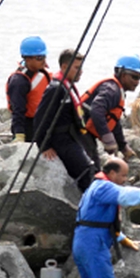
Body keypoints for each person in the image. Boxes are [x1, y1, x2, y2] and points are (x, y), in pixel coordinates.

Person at [34, 49, 95, 192]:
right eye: (76, 68)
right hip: (60, 139)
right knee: (85, 170)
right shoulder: (56, 89)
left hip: (72, 136)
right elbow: (40, 117)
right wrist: (44, 145)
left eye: (81, 67)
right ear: (64, 67)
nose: (80, 71)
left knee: (93, 166)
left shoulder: (68, 86)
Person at [81, 55, 140, 163]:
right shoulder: (111, 90)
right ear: (123, 75)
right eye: (134, 77)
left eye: (139, 78)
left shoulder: (116, 90)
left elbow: (114, 120)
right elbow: (97, 110)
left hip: (85, 133)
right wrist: (107, 138)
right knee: (91, 168)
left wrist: (123, 147)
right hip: (79, 131)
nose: (137, 82)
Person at [5, 36, 50, 142]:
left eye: (44, 56)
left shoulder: (41, 72)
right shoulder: (19, 81)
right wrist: (19, 134)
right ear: (27, 59)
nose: (43, 61)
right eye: (39, 58)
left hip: (44, 121)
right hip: (29, 126)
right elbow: (18, 109)